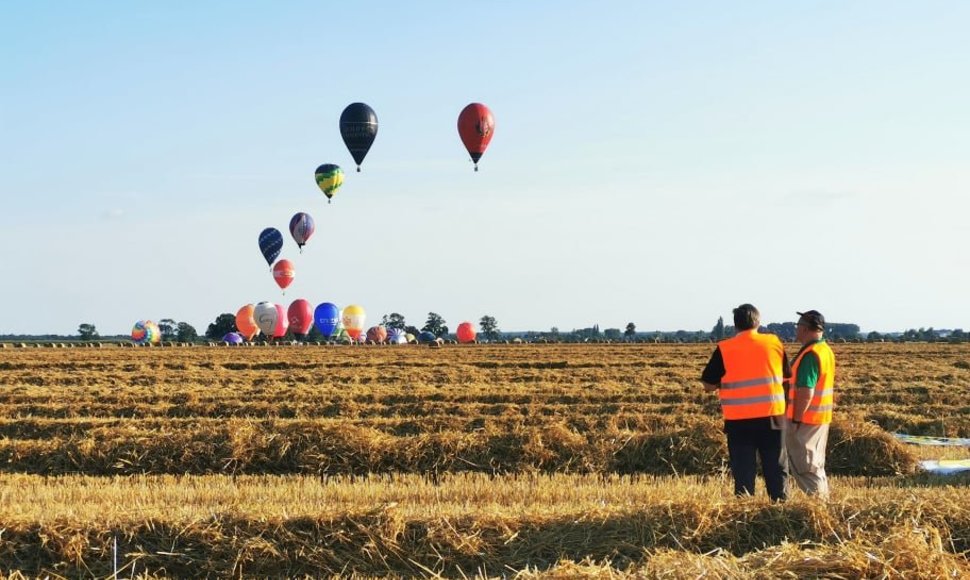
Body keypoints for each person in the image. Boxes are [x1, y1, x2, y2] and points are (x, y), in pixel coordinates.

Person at [702, 304, 790, 501]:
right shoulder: (775, 343)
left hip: (739, 420)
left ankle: (744, 515)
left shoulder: (725, 348)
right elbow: (786, 377)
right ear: (758, 322)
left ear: (735, 325)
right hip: (773, 417)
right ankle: (782, 511)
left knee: (743, 472)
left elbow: (707, 384)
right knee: (776, 468)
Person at [785, 310, 835, 498]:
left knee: (805, 467)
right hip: (818, 418)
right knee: (815, 465)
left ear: (805, 329)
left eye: (798, 325)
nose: (796, 329)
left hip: (805, 420)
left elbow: (806, 391)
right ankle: (823, 504)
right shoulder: (824, 350)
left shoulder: (810, 355)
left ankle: (818, 508)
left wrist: (796, 419)